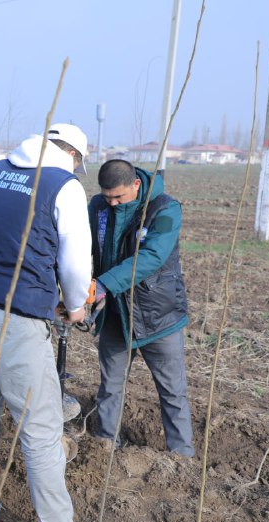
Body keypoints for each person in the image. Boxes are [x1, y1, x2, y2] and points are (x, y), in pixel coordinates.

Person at [0, 124, 92, 522]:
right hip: (14, 323)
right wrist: (76, 305)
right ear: (74, 156)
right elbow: (74, 262)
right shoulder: (64, 186)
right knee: (40, 432)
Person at [88, 159, 194, 456]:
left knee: (172, 392)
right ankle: (105, 447)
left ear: (136, 184)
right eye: (107, 196)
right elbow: (86, 249)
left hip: (159, 317)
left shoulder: (164, 209)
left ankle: (182, 457)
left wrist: (104, 284)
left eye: (118, 197)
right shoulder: (98, 207)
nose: (112, 202)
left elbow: (151, 258)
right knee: (110, 387)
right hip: (114, 317)